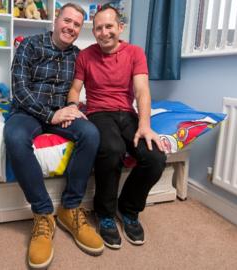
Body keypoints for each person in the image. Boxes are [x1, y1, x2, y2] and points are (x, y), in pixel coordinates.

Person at [3, 3, 104, 269]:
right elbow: (19, 90)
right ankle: (43, 213)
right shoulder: (30, 45)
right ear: (55, 20)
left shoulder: (79, 56)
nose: (70, 27)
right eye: (66, 20)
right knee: (13, 137)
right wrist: (49, 116)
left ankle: (70, 208)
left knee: (91, 134)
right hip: (28, 111)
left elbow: (89, 86)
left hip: (63, 112)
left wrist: (71, 110)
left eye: (76, 25)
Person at [66, 5, 171, 249]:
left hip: (127, 113)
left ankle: (129, 209)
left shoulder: (135, 52)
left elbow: (142, 90)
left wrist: (144, 124)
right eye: (98, 28)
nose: (104, 32)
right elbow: (75, 88)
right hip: (99, 113)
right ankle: (104, 214)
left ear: (120, 27)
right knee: (111, 150)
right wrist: (72, 105)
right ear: (94, 32)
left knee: (155, 157)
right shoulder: (85, 55)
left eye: (109, 26)